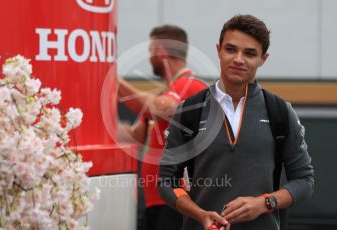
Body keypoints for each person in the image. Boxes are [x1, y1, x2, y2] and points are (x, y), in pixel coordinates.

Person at [157, 15, 314, 230]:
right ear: (219, 50)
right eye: (231, 49)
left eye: (250, 53)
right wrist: (200, 214)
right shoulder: (189, 111)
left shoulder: (280, 111)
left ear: (263, 59)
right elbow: (167, 181)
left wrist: (265, 203)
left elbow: (304, 181)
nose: (238, 59)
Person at [117, 25, 207, 230]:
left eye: (150, 51)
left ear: (160, 52)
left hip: (178, 199)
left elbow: (161, 109)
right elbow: (134, 136)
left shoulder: (192, 86)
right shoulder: (165, 93)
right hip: (156, 200)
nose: (149, 57)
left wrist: (113, 79)